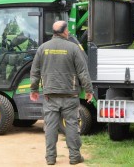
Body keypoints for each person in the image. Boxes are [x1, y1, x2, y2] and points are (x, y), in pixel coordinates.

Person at [30, 20, 93, 165]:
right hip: (70, 95)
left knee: (50, 126)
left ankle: (50, 158)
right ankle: (74, 156)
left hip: (50, 95)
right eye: (68, 31)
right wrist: (88, 90)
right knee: (71, 125)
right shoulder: (73, 48)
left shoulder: (43, 48)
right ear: (64, 32)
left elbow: (35, 72)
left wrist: (34, 89)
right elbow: (83, 72)